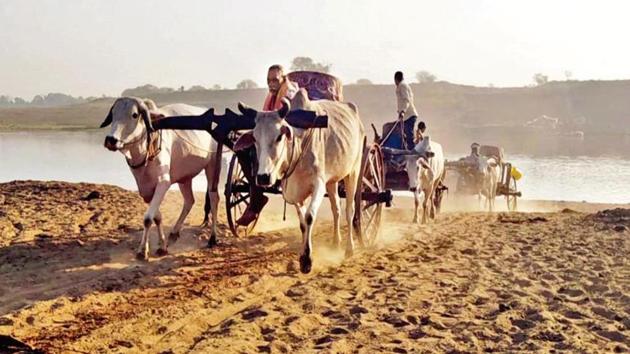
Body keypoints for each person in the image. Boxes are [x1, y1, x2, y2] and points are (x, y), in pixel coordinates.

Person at [236, 64, 298, 226]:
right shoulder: (270, 96)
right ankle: (256, 192)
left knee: (255, 151)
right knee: (243, 150)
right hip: (268, 138)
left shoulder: (289, 93)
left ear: (283, 79)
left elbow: (281, 119)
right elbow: (264, 120)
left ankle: (256, 199)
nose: (271, 83)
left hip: (285, 143)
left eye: (275, 80)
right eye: (269, 80)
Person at [395, 71, 418, 150]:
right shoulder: (403, 86)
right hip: (406, 116)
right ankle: (407, 150)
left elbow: (406, 100)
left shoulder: (402, 86)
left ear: (396, 79)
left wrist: (403, 111)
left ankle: (412, 154)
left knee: (409, 136)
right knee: (404, 135)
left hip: (409, 115)